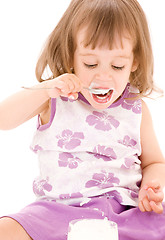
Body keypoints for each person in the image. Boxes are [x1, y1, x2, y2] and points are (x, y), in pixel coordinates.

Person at [0, 0, 165, 239]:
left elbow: (154, 163)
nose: (103, 76)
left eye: (118, 66)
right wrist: (45, 89)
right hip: (57, 211)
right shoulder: (53, 98)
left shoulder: (136, 108)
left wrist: (152, 186)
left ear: (134, 61)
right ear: (71, 56)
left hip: (123, 211)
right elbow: (4, 119)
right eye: (90, 63)